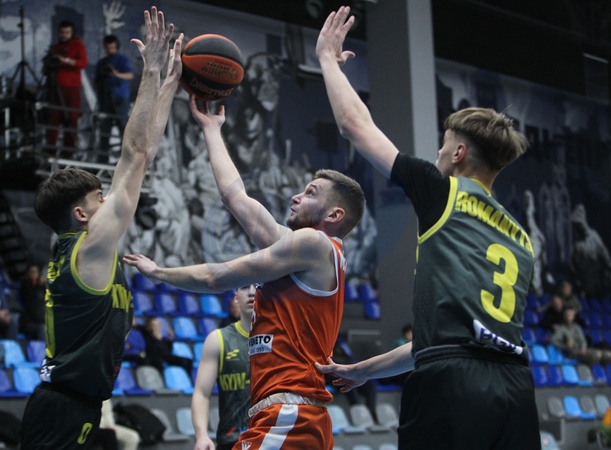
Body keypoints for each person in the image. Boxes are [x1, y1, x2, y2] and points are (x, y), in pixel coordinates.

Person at [314, 7, 540, 450]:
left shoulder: (443, 192)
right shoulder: (521, 237)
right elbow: (450, 341)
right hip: (514, 389)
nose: (437, 153)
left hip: (453, 389)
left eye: (443, 145)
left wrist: (325, 58)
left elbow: (355, 126)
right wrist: (362, 371)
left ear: (458, 153)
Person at [123, 97, 365, 449]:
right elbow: (236, 198)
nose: (295, 197)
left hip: (289, 415)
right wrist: (212, 130)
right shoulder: (311, 251)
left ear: (334, 215)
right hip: (293, 414)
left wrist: (160, 273)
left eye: (310, 193)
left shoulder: (314, 243)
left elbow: (216, 278)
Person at [20, 7, 183, 449]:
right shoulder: (89, 249)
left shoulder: (80, 248)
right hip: (63, 410)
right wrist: (151, 70)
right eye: (99, 198)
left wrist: (169, 85)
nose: (108, 200)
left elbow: (143, 155)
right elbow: (134, 154)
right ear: (81, 215)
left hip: (74, 405)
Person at [192, 284, 255, 450]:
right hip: (232, 440)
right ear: (236, 298)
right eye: (244, 287)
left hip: (273, 440)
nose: (251, 292)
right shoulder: (218, 340)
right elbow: (201, 393)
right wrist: (201, 435)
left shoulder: (282, 339)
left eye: (257, 286)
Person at [42, 20, 88, 156]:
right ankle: (51, 148)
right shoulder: (55, 48)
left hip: (71, 88)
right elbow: (45, 70)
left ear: (72, 33)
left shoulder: (77, 45)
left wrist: (64, 60)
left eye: (67, 32)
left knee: (71, 118)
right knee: (53, 118)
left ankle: (69, 150)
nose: (64, 35)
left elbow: (82, 63)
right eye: (62, 32)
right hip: (55, 87)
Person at [94, 34, 134, 163]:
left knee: (123, 128)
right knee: (104, 129)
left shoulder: (122, 60)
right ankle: (102, 159)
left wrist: (116, 74)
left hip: (120, 98)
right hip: (105, 98)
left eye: (112, 47)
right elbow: (97, 81)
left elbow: (129, 75)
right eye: (107, 48)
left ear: (116, 47)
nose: (109, 50)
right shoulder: (102, 63)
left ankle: (126, 159)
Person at [18, 264, 47, 341]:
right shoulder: (25, 285)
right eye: (32, 272)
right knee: (42, 328)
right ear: (28, 273)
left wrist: (44, 285)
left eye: (36, 272)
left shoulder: (41, 287)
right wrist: (39, 285)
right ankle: (43, 348)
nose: (34, 274)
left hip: (41, 320)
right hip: (29, 322)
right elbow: (31, 300)